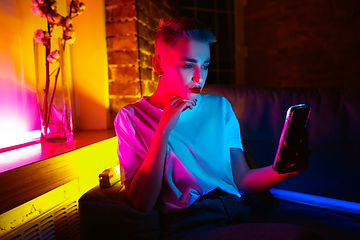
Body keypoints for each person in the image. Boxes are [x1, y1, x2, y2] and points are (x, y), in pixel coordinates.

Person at [114, 16, 316, 240]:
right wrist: (163, 130)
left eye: (205, 65)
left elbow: (241, 180)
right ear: (158, 64)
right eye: (188, 65)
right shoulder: (131, 118)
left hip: (240, 210)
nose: (199, 77)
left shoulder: (220, 107)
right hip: (192, 222)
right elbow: (142, 202)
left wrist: (286, 170)